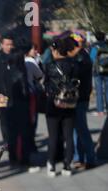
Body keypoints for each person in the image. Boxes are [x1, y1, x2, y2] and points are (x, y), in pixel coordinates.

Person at [44, 37, 80, 177]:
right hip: (70, 104)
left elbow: (46, 84)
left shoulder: (50, 65)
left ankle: (52, 165)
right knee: (68, 136)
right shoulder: (73, 65)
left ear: (56, 50)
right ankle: (67, 165)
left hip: (53, 105)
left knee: (53, 136)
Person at [69, 33, 97, 169]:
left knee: (81, 129)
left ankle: (90, 158)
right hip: (78, 97)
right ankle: (78, 157)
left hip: (80, 98)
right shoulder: (80, 56)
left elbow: (75, 73)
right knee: (76, 129)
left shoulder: (82, 58)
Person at [90, 31, 108, 116]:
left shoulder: (94, 47)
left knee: (99, 91)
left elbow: (92, 59)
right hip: (107, 70)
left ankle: (100, 110)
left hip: (97, 71)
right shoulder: (107, 45)